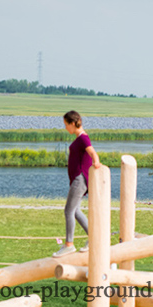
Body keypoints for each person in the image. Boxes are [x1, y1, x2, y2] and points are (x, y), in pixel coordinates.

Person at [53, 110, 102, 257]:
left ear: (73, 123)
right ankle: (93, 238)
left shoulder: (83, 138)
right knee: (75, 211)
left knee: (68, 210)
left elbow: (93, 152)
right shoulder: (80, 138)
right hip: (78, 179)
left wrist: (96, 162)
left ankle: (69, 244)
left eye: (66, 124)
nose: (66, 128)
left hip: (80, 180)